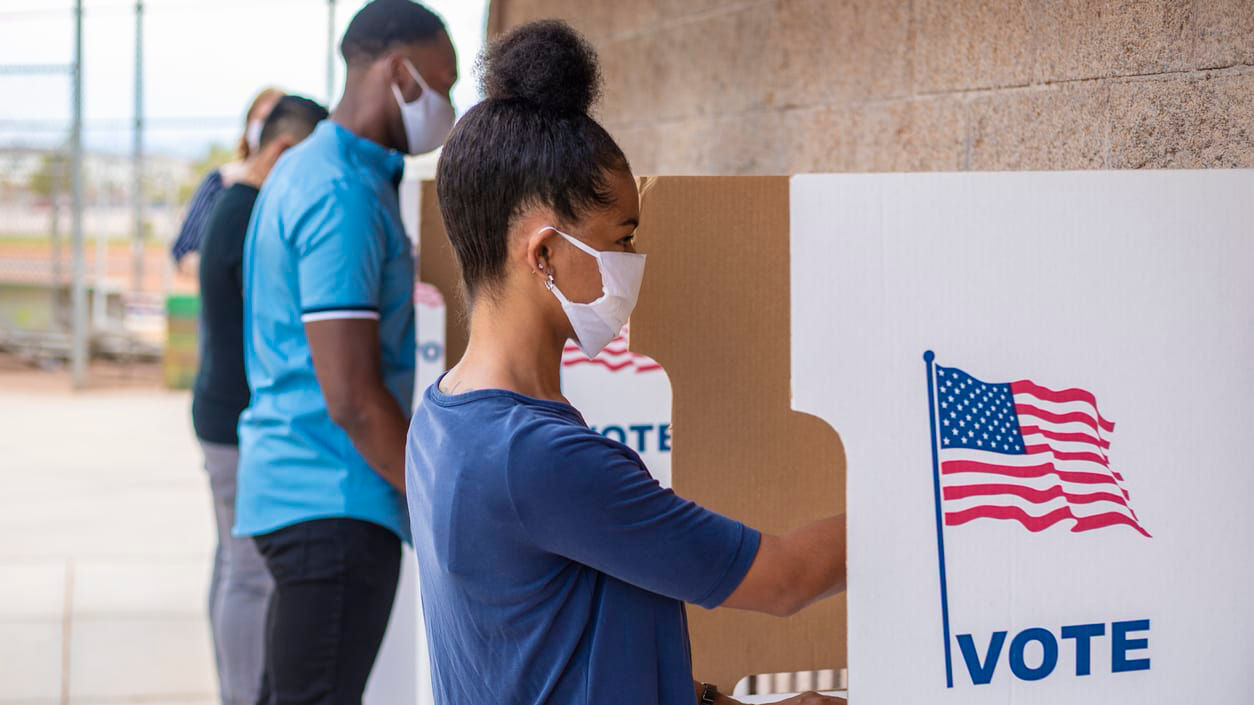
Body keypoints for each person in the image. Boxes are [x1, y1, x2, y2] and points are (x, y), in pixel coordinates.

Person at [408, 20, 847, 705]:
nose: (633, 265)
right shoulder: (539, 457)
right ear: (543, 251)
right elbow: (785, 578)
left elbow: (556, 647)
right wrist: (914, 510)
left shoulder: (445, 416)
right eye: (622, 238)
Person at [234, 1, 457, 703]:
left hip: (299, 490)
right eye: (444, 84)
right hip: (333, 500)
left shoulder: (309, 170)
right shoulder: (342, 196)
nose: (449, 105)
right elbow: (355, 399)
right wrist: (434, 508)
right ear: (400, 72)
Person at [192, 95, 328, 705]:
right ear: (282, 151)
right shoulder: (250, 213)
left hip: (220, 411)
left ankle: (236, 687)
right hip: (234, 420)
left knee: (233, 565)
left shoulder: (233, 203)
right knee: (248, 576)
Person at [172, 87, 283, 273]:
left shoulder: (292, 187)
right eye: (261, 119)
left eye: (272, 120)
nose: (265, 128)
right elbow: (184, 250)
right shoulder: (220, 181)